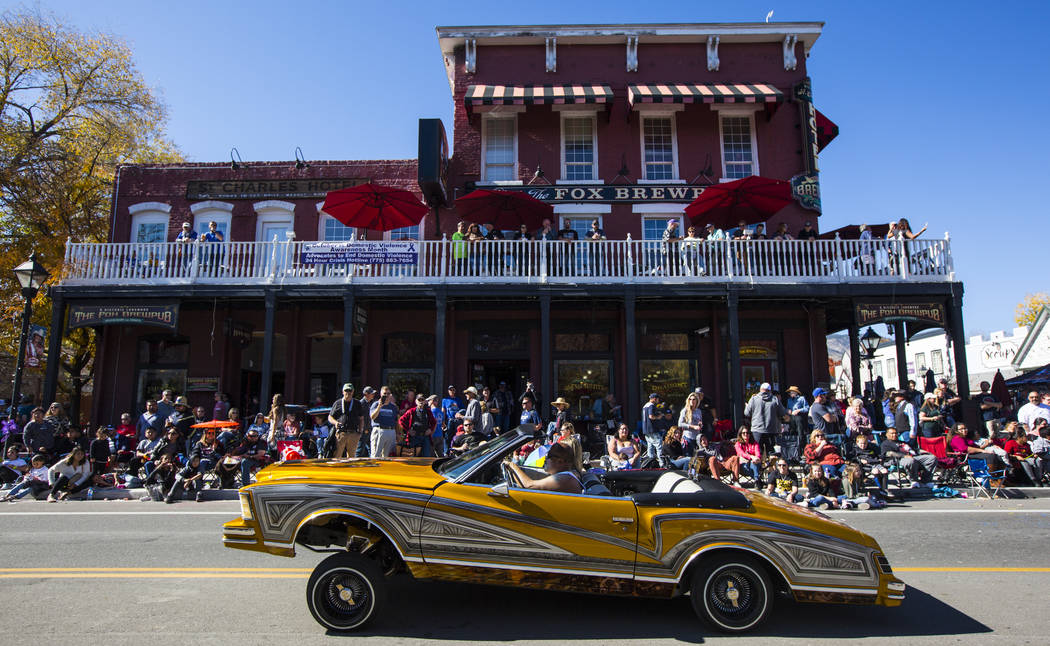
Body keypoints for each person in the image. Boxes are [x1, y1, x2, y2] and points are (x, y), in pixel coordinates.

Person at [507, 441, 582, 494]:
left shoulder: (565, 479)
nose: (545, 459)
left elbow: (529, 486)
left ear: (560, 461)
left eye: (548, 456)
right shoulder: (568, 474)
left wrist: (513, 466)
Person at [743, 382, 788, 457]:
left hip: (757, 430)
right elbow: (783, 413)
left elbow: (747, 413)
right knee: (771, 452)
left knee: (757, 452)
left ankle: (759, 467)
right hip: (771, 430)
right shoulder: (775, 400)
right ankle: (770, 468)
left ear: (760, 389)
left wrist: (747, 406)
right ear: (769, 390)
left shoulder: (753, 399)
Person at [328, 383, 363, 459]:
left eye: (350, 390)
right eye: (346, 390)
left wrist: (360, 432)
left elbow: (361, 418)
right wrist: (336, 423)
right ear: (342, 392)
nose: (348, 393)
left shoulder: (357, 403)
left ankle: (350, 470)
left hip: (353, 433)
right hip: (341, 433)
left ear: (353, 392)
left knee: (351, 456)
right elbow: (330, 417)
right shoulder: (337, 403)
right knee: (337, 455)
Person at [369, 386, 399, 458]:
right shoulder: (375, 404)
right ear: (381, 394)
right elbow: (372, 417)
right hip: (379, 430)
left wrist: (397, 434)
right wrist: (379, 406)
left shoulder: (393, 407)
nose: (386, 395)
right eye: (384, 393)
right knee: (376, 456)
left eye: (388, 393)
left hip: (390, 431)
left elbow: (396, 421)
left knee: (387, 456)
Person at [642, 393, 673, 460]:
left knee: (650, 446)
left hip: (646, 429)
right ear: (654, 399)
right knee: (659, 445)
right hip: (652, 429)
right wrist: (658, 417)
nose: (658, 400)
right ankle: (661, 462)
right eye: (657, 399)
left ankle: (650, 461)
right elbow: (651, 416)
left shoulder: (645, 406)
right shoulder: (651, 406)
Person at [356, 387, 377, 457]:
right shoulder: (361, 403)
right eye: (371, 394)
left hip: (368, 429)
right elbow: (360, 418)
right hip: (363, 430)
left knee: (371, 449)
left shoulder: (369, 403)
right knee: (360, 450)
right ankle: (356, 464)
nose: (373, 395)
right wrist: (362, 429)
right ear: (366, 394)